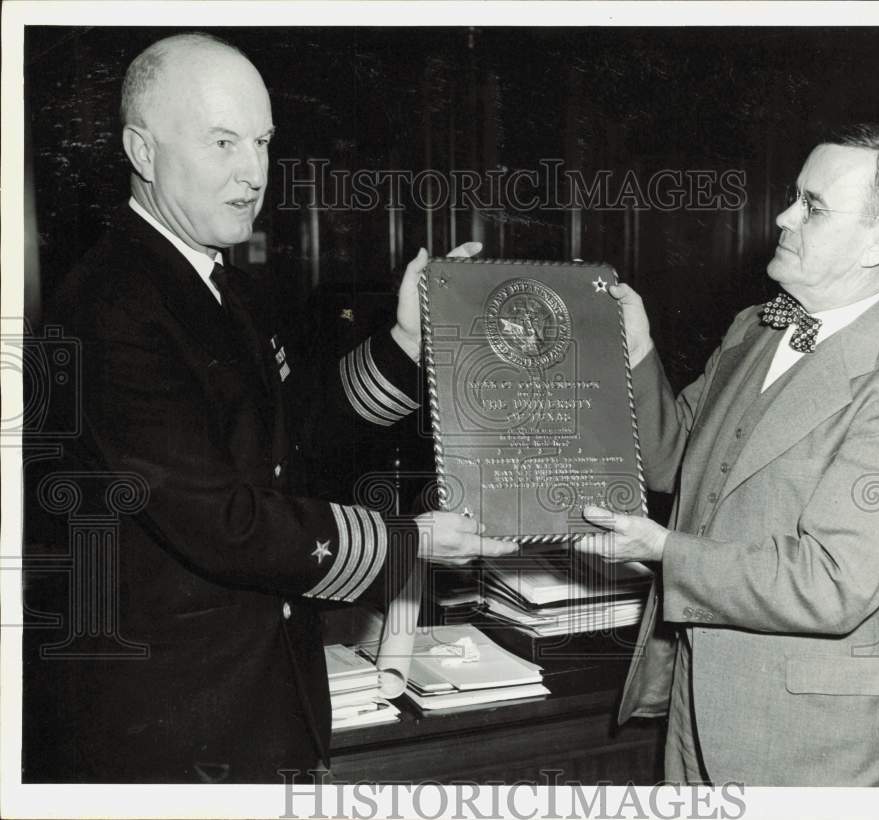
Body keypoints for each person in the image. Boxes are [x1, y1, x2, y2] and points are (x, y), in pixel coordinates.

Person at [22, 32, 514, 783]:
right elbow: (224, 521)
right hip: (167, 736)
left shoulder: (223, 282)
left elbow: (299, 431)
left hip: (254, 704)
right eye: (222, 143)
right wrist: (406, 541)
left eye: (261, 143)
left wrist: (409, 340)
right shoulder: (107, 307)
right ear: (141, 151)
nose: (253, 174)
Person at [577, 125, 879, 786]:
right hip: (699, 711)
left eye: (812, 206)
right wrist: (635, 350)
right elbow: (673, 460)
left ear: (878, 241)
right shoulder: (755, 328)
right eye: (793, 197)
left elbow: (831, 586)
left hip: (820, 749)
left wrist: (662, 550)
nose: (782, 216)